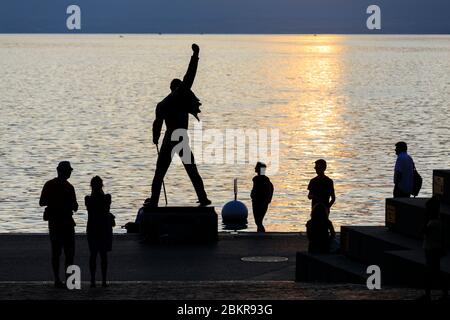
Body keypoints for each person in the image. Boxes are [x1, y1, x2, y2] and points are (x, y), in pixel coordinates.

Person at [148, 43, 211, 207]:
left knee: (160, 173)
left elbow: (157, 124)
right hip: (180, 138)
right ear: (177, 89)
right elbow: (190, 75)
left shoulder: (162, 105)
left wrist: (155, 138)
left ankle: (154, 200)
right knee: (191, 171)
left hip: (170, 138)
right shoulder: (178, 98)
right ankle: (203, 198)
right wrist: (195, 55)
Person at [39, 161, 78, 288]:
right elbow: (75, 206)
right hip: (66, 223)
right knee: (69, 253)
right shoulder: (69, 187)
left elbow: (42, 202)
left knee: (57, 253)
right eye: (69, 171)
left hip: (55, 223)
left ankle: (57, 279)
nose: (70, 173)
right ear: (63, 171)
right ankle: (69, 281)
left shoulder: (49, 184)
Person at [85, 176, 114, 288]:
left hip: (93, 228)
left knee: (93, 254)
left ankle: (93, 280)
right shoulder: (107, 197)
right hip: (103, 228)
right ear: (102, 185)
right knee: (103, 255)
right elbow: (105, 209)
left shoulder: (88, 199)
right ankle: (103, 281)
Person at [421, 196, 448, 300]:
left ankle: (430, 294)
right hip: (432, 249)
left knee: (432, 273)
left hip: (432, 250)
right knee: (435, 272)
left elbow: (422, 231)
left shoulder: (432, 223)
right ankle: (440, 293)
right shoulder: (437, 222)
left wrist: (425, 219)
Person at [250, 162, 274, 232]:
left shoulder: (262, 180)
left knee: (258, 221)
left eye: (256, 167)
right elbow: (271, 188)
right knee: (258, 221)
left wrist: (267, 200)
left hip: (260, 202)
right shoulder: (259, 179)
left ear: (259, 169)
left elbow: (270, 189)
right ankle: (260, 233)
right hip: (258, 202)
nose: (255, 168)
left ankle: (261, 234)